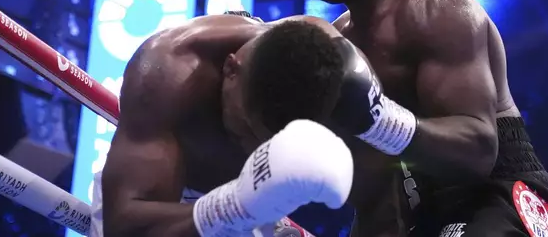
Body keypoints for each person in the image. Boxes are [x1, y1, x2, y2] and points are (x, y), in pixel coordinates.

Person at [299, 0, 548, 236]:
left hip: (500, 191)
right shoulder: (342, 41)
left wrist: (379, 119)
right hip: (420, 202)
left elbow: (478, 151)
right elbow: (378, 187)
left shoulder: (439, 11)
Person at [95, 13, 355, 237]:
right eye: (245, 130)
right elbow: (123, 225)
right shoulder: (166, 76)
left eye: (269, 142)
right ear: (230, 69)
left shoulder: (325, 68)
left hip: (254, 203)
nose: (254, 148)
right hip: (161, 206)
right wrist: (233, 206)